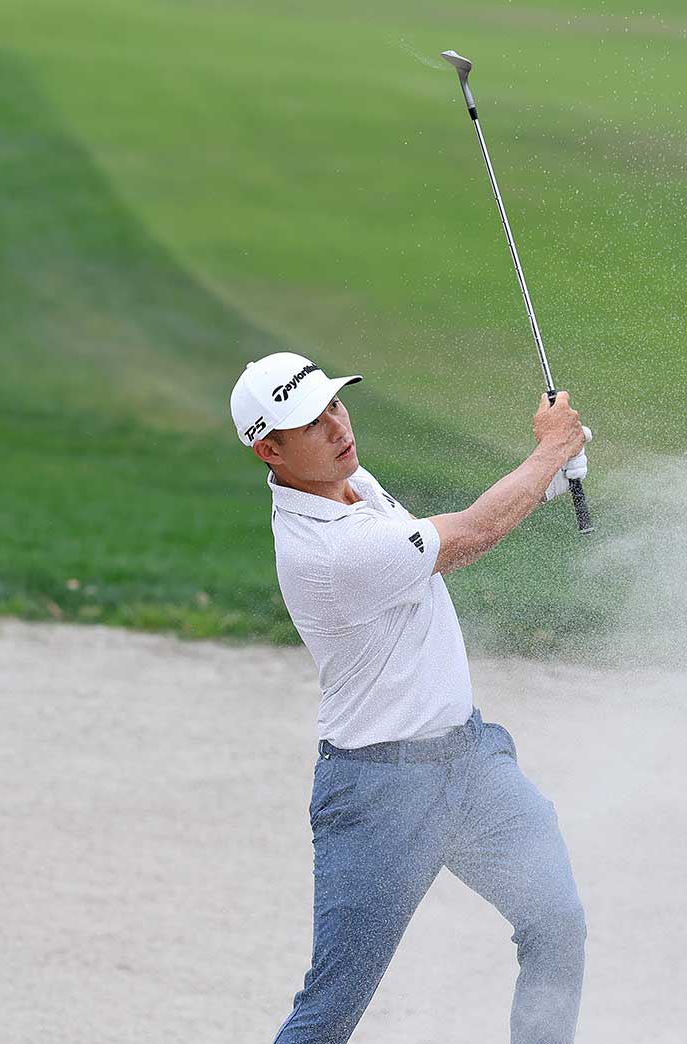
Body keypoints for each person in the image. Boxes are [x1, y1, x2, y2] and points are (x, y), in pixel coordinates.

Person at [229, 352, 591, 1044]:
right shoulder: (327, 552)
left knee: (556, 922)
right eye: (310, 421)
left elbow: (445, 531)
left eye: (334, 404)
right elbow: (470, 535)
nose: (337, 426)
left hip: (472, 765)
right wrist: (548, 452)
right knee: (331, 1010)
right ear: (268, 449)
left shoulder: (347, 483)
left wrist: (546, 474)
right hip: (380, 793)